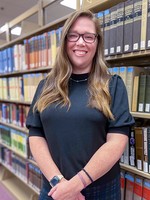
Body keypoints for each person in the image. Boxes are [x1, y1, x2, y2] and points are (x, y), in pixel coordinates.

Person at [26, 9, 135, 200]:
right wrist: (59, 183)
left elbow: (117, 142)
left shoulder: (114, 85)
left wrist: (77, 184)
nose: (80, 42)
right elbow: (36, 136)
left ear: (97, 42)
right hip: (54, 189)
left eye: (88, 36)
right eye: (73, 35)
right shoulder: (46, 86)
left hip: (101, 191)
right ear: (65, 41)